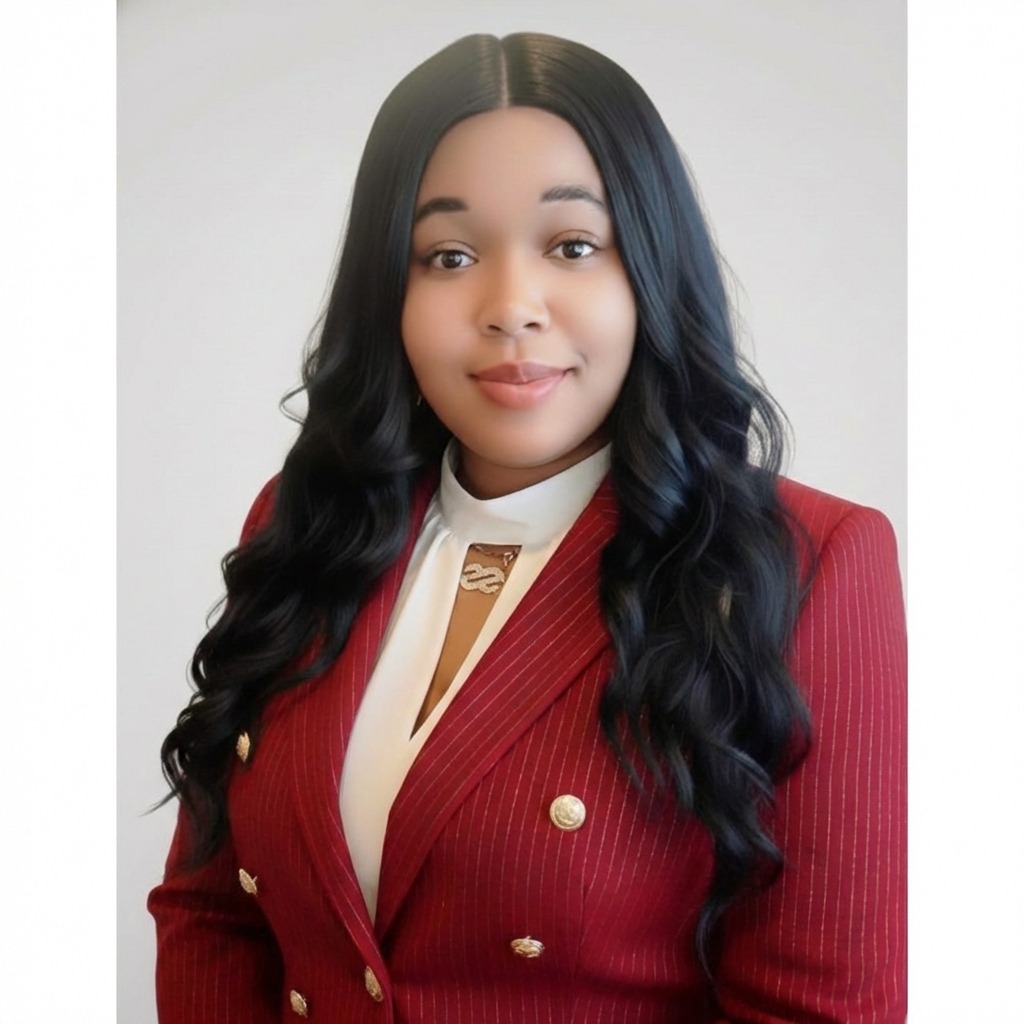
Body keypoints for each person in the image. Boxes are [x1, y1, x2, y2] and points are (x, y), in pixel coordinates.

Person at [148, 32, 906, 1024]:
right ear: (390, 291)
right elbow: (211, 912)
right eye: (449, 255)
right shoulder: (310, 523)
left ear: (651, 270)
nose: (510, 307)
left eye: (572, 246)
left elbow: (817, 1009)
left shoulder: (805, 566)